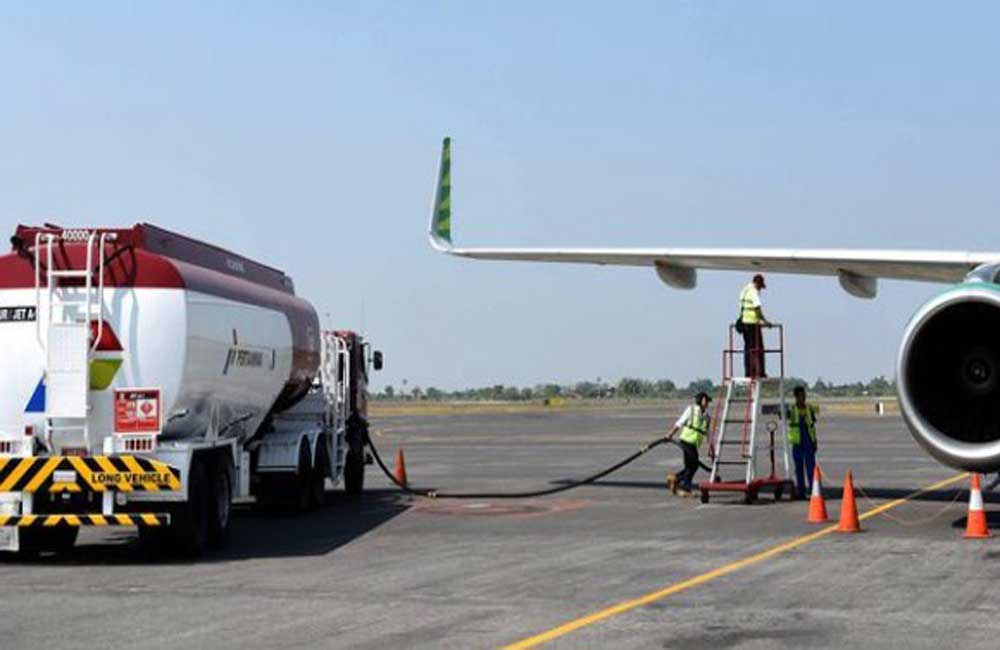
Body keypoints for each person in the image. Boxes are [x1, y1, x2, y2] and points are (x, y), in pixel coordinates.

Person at [665, 392, 713, 496]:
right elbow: (679, 423)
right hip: (686, 441)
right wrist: (670, 434)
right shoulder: (690, 410)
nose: (708, 403)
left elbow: (709, 435)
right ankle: (684, 486)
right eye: (707, 400)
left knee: (691, 466)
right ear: (702, 400)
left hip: (694, 444)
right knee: (693, 466)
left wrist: (711, 449)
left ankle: (676, 480)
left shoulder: (707, 417)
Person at [786, 386, 819, 499]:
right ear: (796, 397)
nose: (803, 397)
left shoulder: (809, 409)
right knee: (798, 468)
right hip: (797, 443)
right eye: (801, 395)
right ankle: (801, 491)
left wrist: (815, 441)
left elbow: (812, 426)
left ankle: (813, 490)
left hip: (808, 442)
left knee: (811, 468)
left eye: (804, 395)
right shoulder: (792, 410)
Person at [738, 274, 772, 378]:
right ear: (757, 283)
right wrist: (765, 322)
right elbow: (757, 308)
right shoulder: (753, 291)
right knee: (758, 349)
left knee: (748, 349)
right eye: (760, 287)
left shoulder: (744, 290)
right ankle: (759, 372)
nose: (760, 290)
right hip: (753, 324)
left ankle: (748, 372)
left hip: (744, 323)